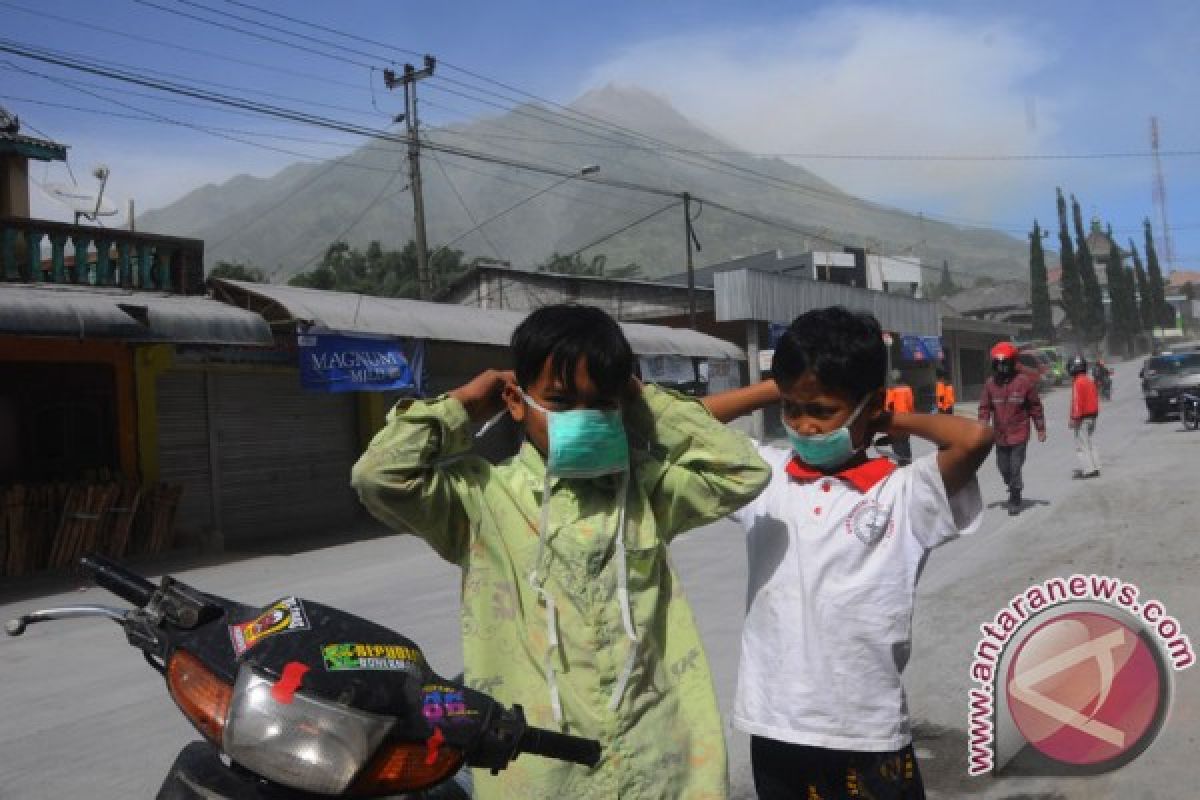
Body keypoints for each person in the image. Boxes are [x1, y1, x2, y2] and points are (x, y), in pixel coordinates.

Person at [351, 304, 771, 800]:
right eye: (560, 401)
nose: (582, 419)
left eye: (601, 404)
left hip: (660, 764)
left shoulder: (647, 490)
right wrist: (465, 403)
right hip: (543, 776)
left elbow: (743, 472)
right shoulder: (480, 500)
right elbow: (377, 476)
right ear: (517, 400)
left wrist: (642, 401)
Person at [701, 307, 993, 800]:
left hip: (867, 731)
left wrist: (889, 417)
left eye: (823, 410)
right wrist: (777, 385)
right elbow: (687, 425)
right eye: (792, 409)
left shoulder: (905, 493)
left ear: (867, 406)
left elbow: (974, 437)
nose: (805, 426)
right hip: (775, 726)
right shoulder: (764, 477)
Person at [977, 342, 1046, 516]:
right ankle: (1012, 485)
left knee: (1015, 467)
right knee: (1003, 468)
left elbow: (1035, 406)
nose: (1002, 367)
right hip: (1000, 435)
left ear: (1013, 362)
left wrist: (1040, 428)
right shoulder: (990, 384)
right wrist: (982, 425)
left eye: (1006, 363)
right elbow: (984, 407)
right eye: (999, 363)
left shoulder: (1024, 382)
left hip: (1019, 433)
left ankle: (1015, 497)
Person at [1068, 355, 1101, 477]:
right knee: (1090, 443)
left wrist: (1074, 418)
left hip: (1082, 418)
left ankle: (1088, 470)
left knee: (1081, 445)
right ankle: (1096, 467)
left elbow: (1077, 402)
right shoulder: (1089, 380)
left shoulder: (1077, 382)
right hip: (1092, 416)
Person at [884, 369, 915, 466]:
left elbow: (888, 405)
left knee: (896, 440)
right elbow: (910, 404)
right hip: (906, 417)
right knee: (905, 440)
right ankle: (907, 459)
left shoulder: (891, 390)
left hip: (895, 418)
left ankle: (900, 460)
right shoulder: (907, 389)